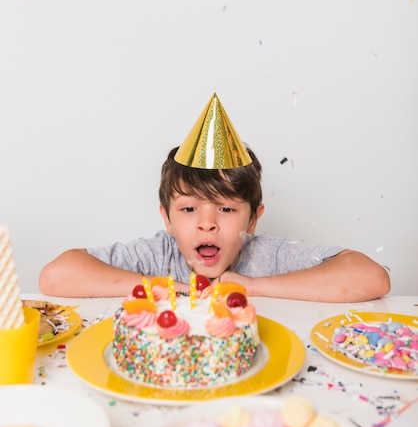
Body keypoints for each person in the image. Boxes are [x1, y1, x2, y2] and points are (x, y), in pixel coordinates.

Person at [38, 95, 390, 301]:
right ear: (167, 218)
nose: (207, 222)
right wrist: (163, 287)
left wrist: (253, 286)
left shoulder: (268, 257)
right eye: (189, 209)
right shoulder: (156, 256)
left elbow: (372, 278)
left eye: (225, 208)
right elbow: (55, 276)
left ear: (253, 218)